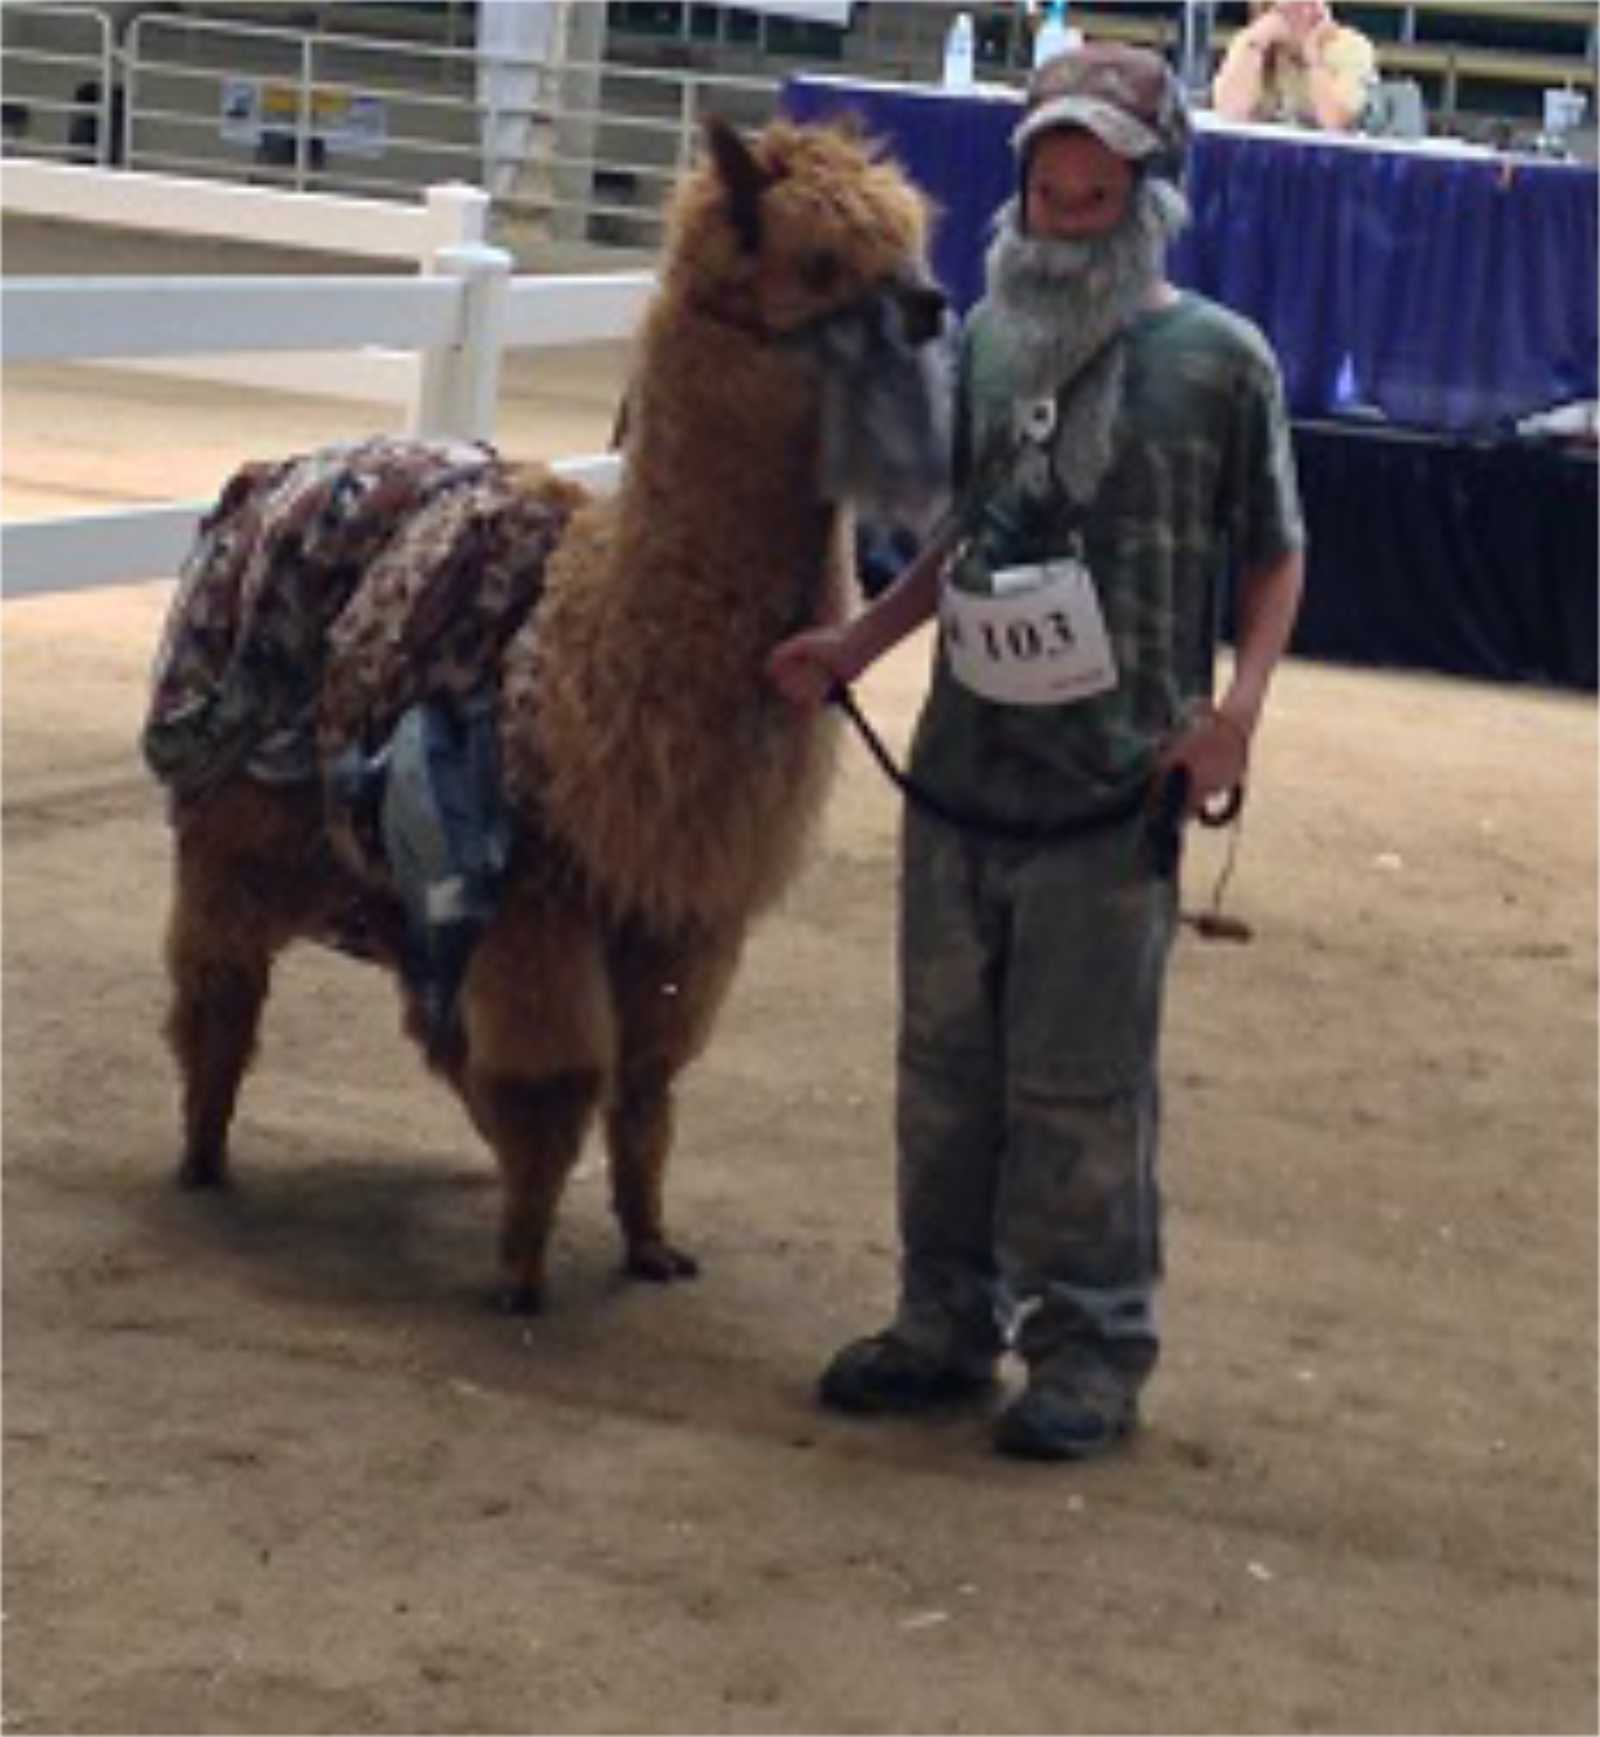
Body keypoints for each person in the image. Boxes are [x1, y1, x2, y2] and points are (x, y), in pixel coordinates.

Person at [766, 41, 1305, 1461]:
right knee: (944, 1067)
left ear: (1148, 196)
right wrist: (854, 647)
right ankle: (943, 1321)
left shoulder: (1221, 365)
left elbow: (1275, 557)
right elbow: (961, 540)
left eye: (1094, 191)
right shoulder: (985, 348)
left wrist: (1233, 712)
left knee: (1081, 1079)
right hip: (963, 778)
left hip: (1109, 792)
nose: (1066, 211)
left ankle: (1092, 1347)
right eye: (1049, 189)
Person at [1211, 0, 1376, 132]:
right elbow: (1230, 112)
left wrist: (1313, 57)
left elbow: (1334, 123)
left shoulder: (1352, 47)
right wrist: (1256, 45)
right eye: (1294, 10)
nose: (1308, 15)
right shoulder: (1251, 42)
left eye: (1315, 6)